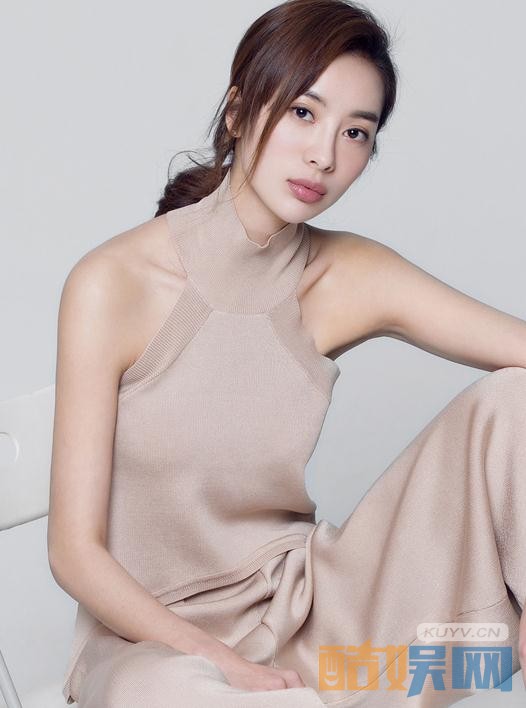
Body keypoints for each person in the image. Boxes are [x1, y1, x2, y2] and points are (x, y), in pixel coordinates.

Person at [48, 0, 526, 705]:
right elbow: (74, 552)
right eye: (304, 112)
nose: (324, 156)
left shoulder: (348, 275)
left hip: (314, 621)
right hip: (152, 648)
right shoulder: (112, 283)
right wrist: (226, 665)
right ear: (238, 112)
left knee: (517, 401)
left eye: (355, 132)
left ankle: (475, 657)